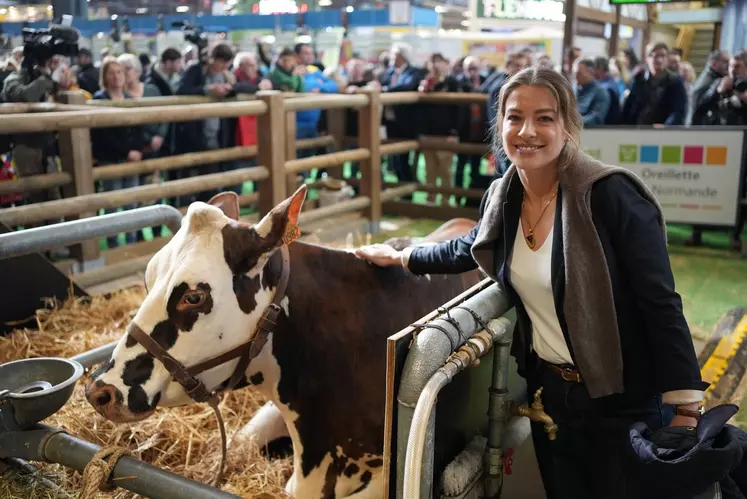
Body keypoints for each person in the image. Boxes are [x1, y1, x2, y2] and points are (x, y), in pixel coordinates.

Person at [355, 66, 707, 499]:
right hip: (552, 397)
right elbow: (468, 245)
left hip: (623, 396)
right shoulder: (504, 198)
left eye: (545, 118)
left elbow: (660, 302)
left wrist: (687, 410)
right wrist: (404, 256)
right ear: (499, 123)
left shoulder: (611, 196)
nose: (527, 131)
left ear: (568, 127)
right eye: (514, 117)